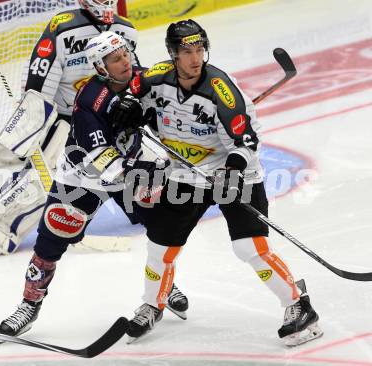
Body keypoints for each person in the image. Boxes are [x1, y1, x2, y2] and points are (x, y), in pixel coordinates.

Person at [112, 19, 323, 346]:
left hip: (234, 173)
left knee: (249, 247)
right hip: (185, 174)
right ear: (173, 54)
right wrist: (129, 109)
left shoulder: (222, 91)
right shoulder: (156, 78)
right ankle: (153, 304)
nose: (195, 58)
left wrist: (233, 170)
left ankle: (298, 304)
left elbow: (247, 143)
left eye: (200, 50)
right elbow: (129, 93)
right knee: (160, 248)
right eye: (187, 52)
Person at [0, 31, 187, 338]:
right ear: (101, 68)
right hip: (82, 177)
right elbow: (109, 167)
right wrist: (159, 168)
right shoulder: (88, 103)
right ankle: (29, 305)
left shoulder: (143, 79)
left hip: (129, 163)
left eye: (125, 53)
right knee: (50, 243)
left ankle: (161, 289)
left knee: (161, 228)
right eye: (115, 59)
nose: (125, 61)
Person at [0, 0, 142, 255]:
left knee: (136, 186)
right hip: (70, 121)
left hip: (111, 120)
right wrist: (31, 124)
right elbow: (38, 85)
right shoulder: (62, 28)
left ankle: (140, 205)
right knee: (47, 179)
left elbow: (132, 75)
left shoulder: (126, 31)